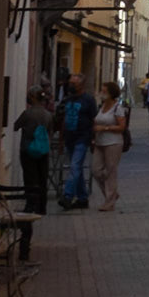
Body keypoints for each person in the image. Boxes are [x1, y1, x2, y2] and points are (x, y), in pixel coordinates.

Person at [57, 74, 95, 209]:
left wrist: (93, 139)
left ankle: (67, 196)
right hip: (69, 138)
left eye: (74, 83)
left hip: (82, 138)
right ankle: (82, 198)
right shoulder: (67, 99)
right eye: (70, 83)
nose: (71, 85)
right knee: (76, 168)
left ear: (81, 85)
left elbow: (93, 119)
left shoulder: (88, 100)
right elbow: (63, 119)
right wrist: (61, 140)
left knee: (74, 166)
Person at [14, 87, 52, 215]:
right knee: (42, 178)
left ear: (33, 97)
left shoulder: (27, 114)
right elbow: (50, 131)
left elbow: (15, 126)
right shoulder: (48, 115)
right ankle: (42, 207)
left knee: (30, 179)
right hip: (43, 150)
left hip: (28, 149)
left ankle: (30, 205)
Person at [91, 80, 127, 211]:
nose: (102, 93)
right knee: (96, 170)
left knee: (111, 171)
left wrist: (104, 128)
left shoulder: (118, 108)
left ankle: (109, 201)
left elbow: (122, 127)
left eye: (104, 91)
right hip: (99, 142)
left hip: (113, 143)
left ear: (111, 94)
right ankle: (111, 194)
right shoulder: (101, 106)